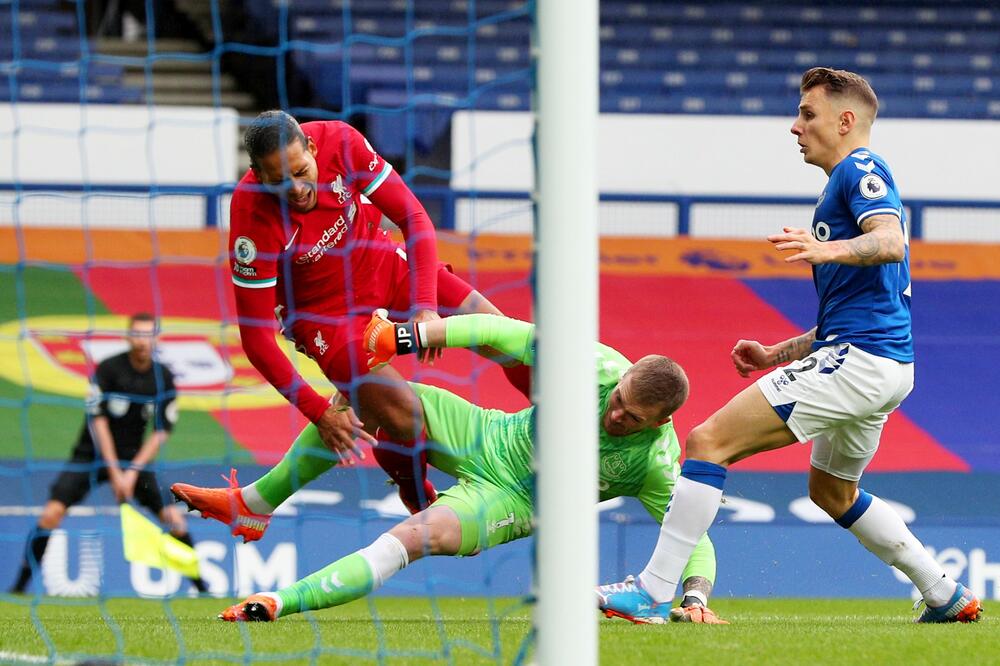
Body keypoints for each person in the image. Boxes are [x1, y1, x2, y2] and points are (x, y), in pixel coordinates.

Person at [598, 67, 982, 624]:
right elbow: (853, 314)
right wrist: (777, 354)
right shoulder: (839, 188)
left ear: (845, 121)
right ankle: (944, 593)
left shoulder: (862, 168)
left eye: (808, 113)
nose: (795, 127)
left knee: (707, 442)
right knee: (832, 492)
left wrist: (828, 250)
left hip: (861, 364)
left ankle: (653, 589)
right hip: (883, 363)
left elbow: (891, 241)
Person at [174, 312, 727, 624]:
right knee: (364, 394)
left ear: (661, 422)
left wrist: (695, 596)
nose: (614, 412)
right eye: (618, 398)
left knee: (414, 538)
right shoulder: (601, 366)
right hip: (485, 431)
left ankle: (279, 602)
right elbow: (496, 331)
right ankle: (255, 505)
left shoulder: (656, 462)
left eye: (631, 416)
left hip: (512, 501)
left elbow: (690, 534)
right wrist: (404, 337)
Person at [227, 110, 529, 516]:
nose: (297, 189)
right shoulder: (251, 216)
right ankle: (415, 493)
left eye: (302, 171)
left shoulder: (342, 142)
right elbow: (256, 338)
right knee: (406, 418)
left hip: (382, 263)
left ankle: (554, 436)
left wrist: (424, 308)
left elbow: (413, 217)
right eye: (280, 181)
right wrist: (318, 413)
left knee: (502, 334)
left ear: (313, 149)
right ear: (259, 176)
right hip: (325, 319)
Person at [10, 313, 206, 594]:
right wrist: (116, 473)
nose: (142, 342)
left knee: (174, 519)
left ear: (156, 338)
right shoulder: (109, 369)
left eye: (148, 335)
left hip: (134, 462)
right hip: (90, 456)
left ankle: (203, 588)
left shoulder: (163, 377)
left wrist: (132, 472)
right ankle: (18, 587)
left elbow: (162, 430)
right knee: (51, 514)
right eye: (137, 335)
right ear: (128, 337)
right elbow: (98, 422)